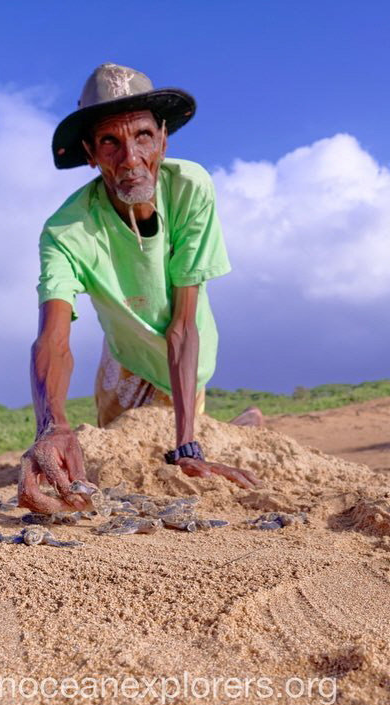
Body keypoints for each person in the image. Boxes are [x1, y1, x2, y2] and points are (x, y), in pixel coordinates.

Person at [18, 63, 262, 514]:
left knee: (180, 450)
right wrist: (50, 426)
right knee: (115, 456)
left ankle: (236, 428)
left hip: (187, 353)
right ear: (90, 152)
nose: (130, 158)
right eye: (110, 141)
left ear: (163, 139)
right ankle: (231, 425)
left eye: (143, 137)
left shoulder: (190, 189)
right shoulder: (65, 231)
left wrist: (187, 446)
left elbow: (183, 326)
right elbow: (53, 337)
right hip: (124, 356)